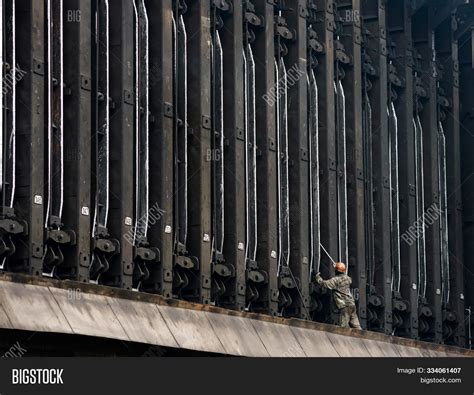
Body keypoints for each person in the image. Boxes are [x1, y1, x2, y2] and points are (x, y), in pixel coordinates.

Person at [315, 262, 362, 329]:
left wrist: (317, 277)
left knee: (343, 327)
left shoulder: (335, 280)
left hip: (345, 305)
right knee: (356, 325)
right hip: (352, 304)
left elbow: (324, 283)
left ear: (336, 271)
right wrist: (337, 267)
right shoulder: (348, 279)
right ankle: (361, 336)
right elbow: (344, 276)